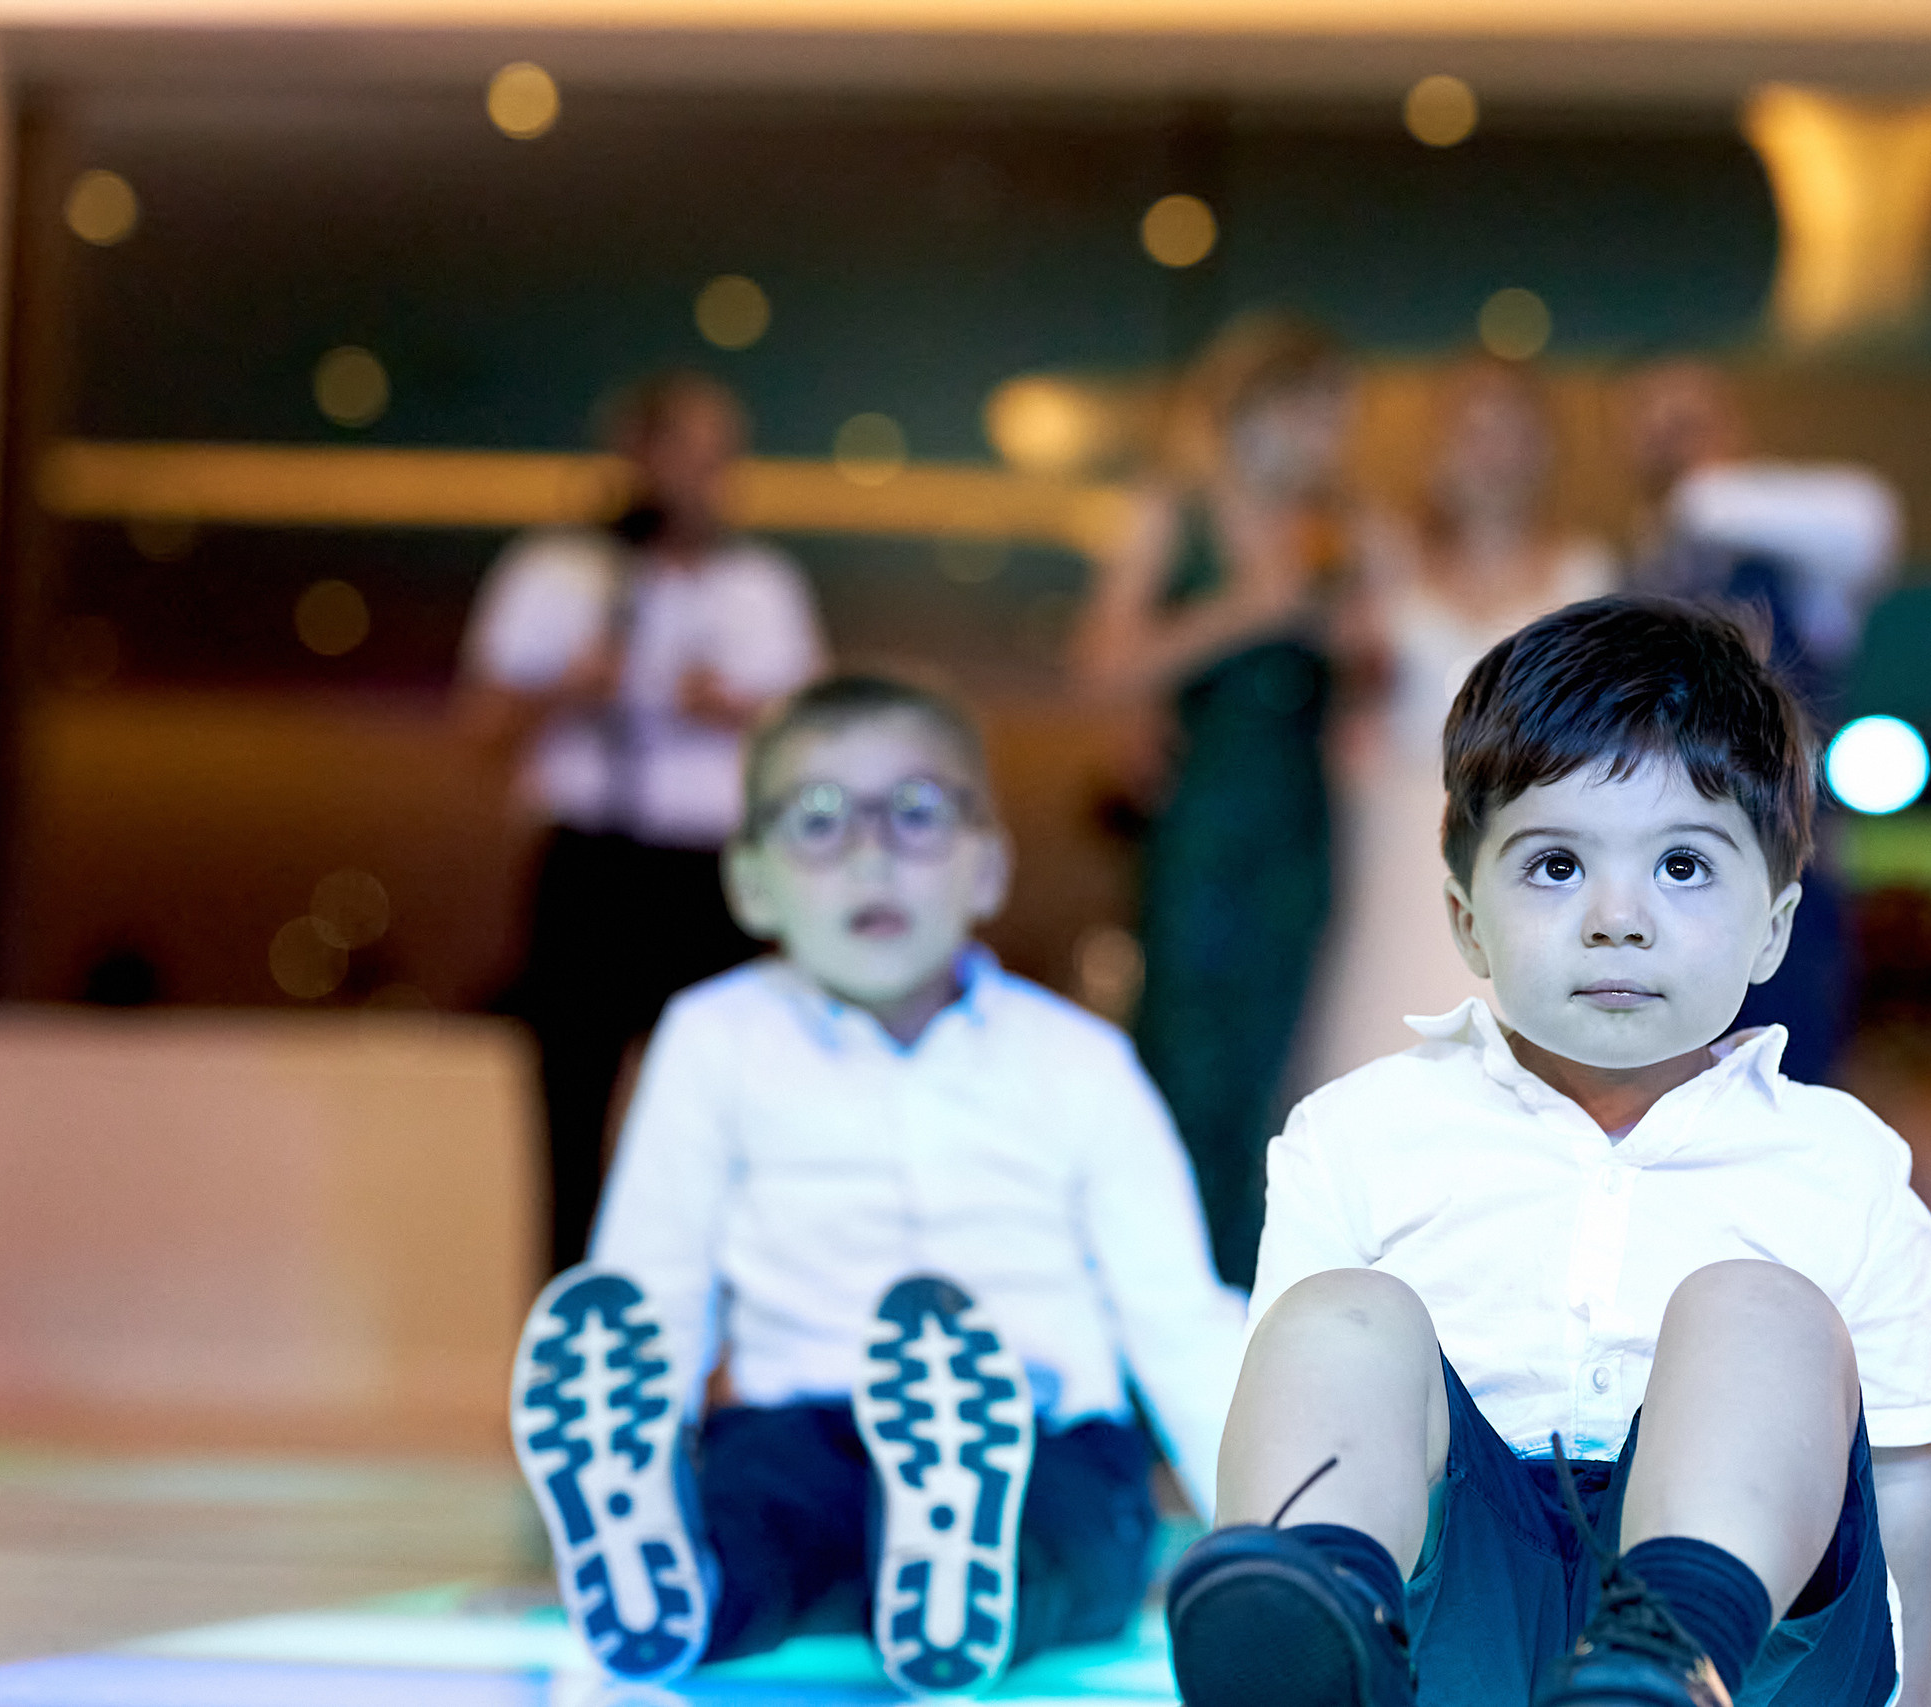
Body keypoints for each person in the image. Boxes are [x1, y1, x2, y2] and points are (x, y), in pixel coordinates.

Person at [1161, 597, 1931, 1707]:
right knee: (1340, 1316)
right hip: (1456, 1616)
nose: (1616, 918)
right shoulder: (1355, 1136)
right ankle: (1317, 1632)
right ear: (1463, 918)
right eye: (1554, 868)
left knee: (1759, 1310)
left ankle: (1662, 1654)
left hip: (1747, 1652)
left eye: (1682, 867)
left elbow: (1901, 1492)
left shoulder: (1843, 1164)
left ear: (1772, 925)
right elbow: (1295, 1412)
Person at [508, 675, 1245, 1694]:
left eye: (916, 813)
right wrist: (652, 1425)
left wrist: (1272, 1544)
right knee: (757, 1512)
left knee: (1076, 1536)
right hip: (797, 1427)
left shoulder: (1077, 1061)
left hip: (1036, 1438)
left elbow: (1175, 1317)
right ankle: (666, 1574)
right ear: (750, 883)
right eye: (817, 820)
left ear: (985, 867)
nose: (870, 855)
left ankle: (963, 1592)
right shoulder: (713, 1040)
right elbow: (654, 1285)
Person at [459, 372, 826, 1276]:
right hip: (590, 858)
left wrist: (739, 711)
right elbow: (479, 726)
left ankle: (704, 1349)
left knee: (713, 1112)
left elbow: (814, 741)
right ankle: (575, 1352)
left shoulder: (761, 586)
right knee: (569, 1114)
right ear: (640, 454)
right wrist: (568, 687)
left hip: (708, 873)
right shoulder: (558, 572)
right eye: (690, 454)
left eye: (722, 456)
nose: (708, 477)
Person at [1070, 314, 1360, 1289]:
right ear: (1249, 412)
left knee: (1269, 1075)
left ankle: (1240, 1312)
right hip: (1202, 815)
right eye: (1312, 415)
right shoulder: (1175, 512)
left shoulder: (1332, 533)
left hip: (1300, 816)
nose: (1328, 440)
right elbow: (1102, 665)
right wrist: (1246, 609)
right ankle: (1158, 1301)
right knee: (1184, 1061)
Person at [1296, 354, 1617, 1091]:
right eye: (1474, 430)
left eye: (1512, 432)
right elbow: (1343, 704)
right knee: (1383, 1043)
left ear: (1544, 448)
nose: (1492, 453)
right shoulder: (1388, 564)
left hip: (1532, 849)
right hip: (1398, 841)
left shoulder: (1586, 574)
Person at [1621, 360, 1901, 1086]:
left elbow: (1873, 519)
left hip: (1783, 892)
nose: (1671, 446)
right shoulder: (1633, 571)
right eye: (1653, 430)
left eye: (1687, 423)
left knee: (1786, 1112)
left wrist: (1700, 492)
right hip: (1663, 902)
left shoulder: (1800, 556)